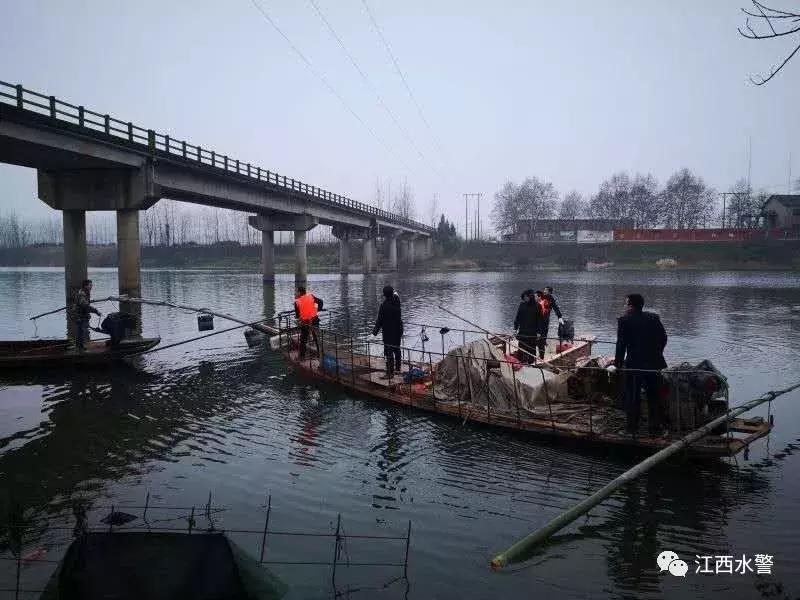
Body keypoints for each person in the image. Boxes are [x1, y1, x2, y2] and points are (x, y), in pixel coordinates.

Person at [611, 293, 668, 437]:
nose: (625, 307)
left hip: (635, 365)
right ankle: (655, 430)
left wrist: (617, 365)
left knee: (633, 397)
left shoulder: (624, 321)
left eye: (626, 304)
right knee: (654, 397)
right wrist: (657, 353)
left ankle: (631, 430)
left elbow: (621, 345)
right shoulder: (654, 318)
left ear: (631, 305)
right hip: (655, 364)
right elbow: (663, 338)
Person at [372, 285, 403, 379]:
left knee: (388, 351)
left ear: (384, 295)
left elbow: (379, 320)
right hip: (398, 329)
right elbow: (396, 295)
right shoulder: (397, 301)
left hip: (388, 332)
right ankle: (397, 368)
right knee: (397, 348)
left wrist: (375, 331)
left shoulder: (384, 305)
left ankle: (390, 373)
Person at [294, 286, 323, 360]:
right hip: (315, 320)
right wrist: (317, 310)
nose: (295, 293)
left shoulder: (297, 302)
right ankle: (320, 355)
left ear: (300, 292)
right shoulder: (311, 296)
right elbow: (320, 301)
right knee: (317, 338)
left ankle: (302, 356)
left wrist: (299, 316)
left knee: (303, 340)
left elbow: (297, 316)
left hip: (305, 323)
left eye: (296, 292)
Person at [72, 279, 101, 351]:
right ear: (86, 286)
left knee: (81, 331)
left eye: (92, 285)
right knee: (81, 331)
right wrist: (96, 311)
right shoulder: (82, 294)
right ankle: (80, 347)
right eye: (90, 285)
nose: (91, 286)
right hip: (79, 316)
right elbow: (85, 305)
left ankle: (79, 346)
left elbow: (85, 304)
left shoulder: (85, 292)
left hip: (81, 315)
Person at [513, 289, 540, 364]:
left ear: (530, 297)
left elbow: (540, 321)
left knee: (531, 348)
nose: (525, 299)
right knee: (521, 347)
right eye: (524, 297)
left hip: (532, 332)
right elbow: (517, 317)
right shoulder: (522, 304)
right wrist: (515, 328)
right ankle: (520, 362)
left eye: (526, 297)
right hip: (522, 331)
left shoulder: (537, 306)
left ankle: (531, 363)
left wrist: (539, 332)